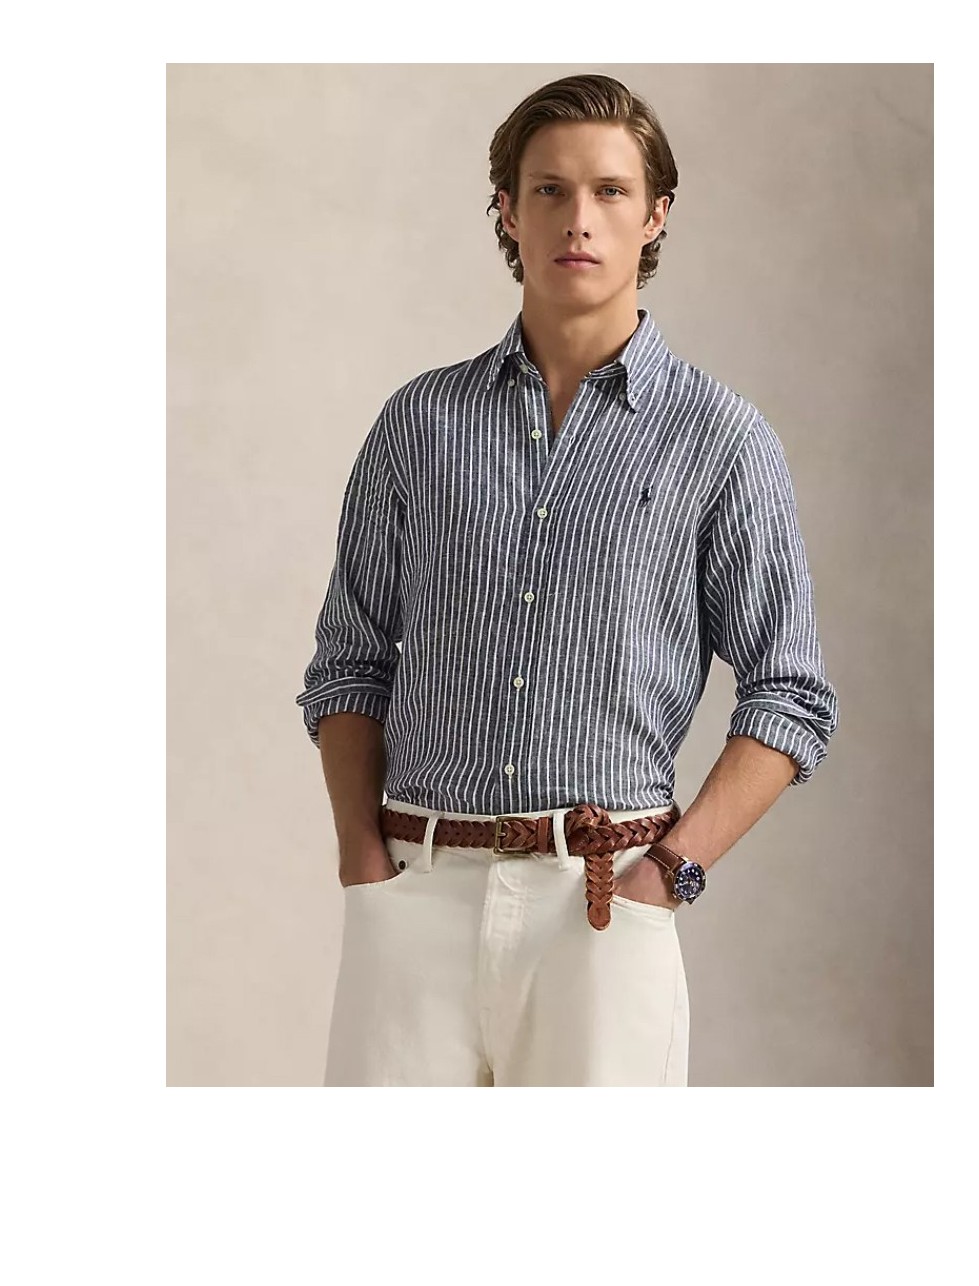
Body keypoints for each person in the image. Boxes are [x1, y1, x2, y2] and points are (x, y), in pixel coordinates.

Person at [295, 72, 839, 1086]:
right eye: (548, 189)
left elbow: (790, 696)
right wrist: (361, 859)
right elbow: (350, 663)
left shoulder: (722, 441)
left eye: (609, 190)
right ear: (507, 209)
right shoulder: (419, 425)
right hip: (412, 899)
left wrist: (667, 874)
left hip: (602, 909)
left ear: (655, 213)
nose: (576, 218)